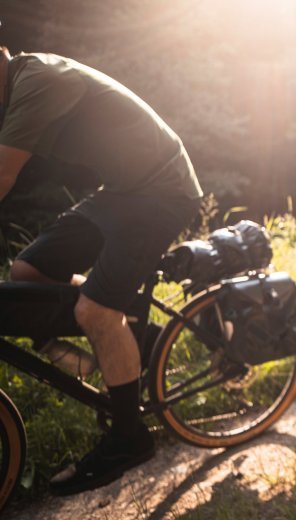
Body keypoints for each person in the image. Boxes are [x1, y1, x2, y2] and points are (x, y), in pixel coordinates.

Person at [0, 48, 202, 495]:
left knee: (94, 311)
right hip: (124, 190)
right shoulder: (20, 87)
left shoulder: (35, 80)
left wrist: (101, 309)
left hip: (163, 190)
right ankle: (132, 337)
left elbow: (2, 175)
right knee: (26, 271)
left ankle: (128, 438)